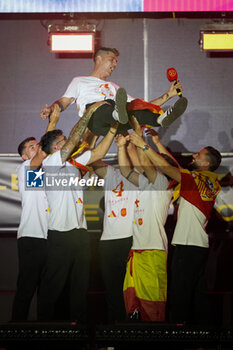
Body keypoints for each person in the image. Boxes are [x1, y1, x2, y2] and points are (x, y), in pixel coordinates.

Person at [37, 103, 119, 323]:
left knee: (81, 284)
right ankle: (43, 329)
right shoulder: (51, 163)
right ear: (56, 149)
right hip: (60, 234)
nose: (68, 144)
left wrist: (113, 128)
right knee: (53, 285)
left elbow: (98, 152)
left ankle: (79, 331)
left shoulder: (73, 164)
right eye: (62, 142)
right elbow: (75, 138)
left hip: (80, 234)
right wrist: (90, 113)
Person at [129, 130, 222, 325]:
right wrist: (157, 142)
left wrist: (144, 145)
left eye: (199, 154)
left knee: (180, 295)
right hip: (199, 246)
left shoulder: (195, 179)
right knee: (197, 296)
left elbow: (169, 168)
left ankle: (177, 338)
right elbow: (176, 168)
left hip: (187, 246)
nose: (194, 155)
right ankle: (203, 339)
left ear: (206, 163)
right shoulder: (207, 180)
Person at [40, 47, 188, 136]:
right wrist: (51, 109)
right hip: (95, 120)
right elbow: (63, 102)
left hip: (116, 125)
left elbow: (141, 105)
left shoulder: (113, 86)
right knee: (107, 103)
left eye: (116, 61)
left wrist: (169, 94)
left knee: (136, 106)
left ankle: (159, 120)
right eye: (112, 59)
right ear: (99, 59)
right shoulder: (80, 81)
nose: (115, 64)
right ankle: (116, 113)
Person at [117, 119, 176, 322]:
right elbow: (126, 169)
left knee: (153, 306)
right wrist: (123, 146)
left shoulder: (161, 182)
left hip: (153, 251)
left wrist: (139, 137)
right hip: (136, 252)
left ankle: (156, 341)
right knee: (133, 306)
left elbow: (143, 159)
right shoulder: (143, 183)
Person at [89, 136, 141, 324]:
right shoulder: (111, 174)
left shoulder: (141, 177)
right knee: (112, 290)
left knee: (129, 290)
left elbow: (127, 168)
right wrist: (94, 138)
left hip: (129, 239)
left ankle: (131, 331)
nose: (125, 151)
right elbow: (93, 160)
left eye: (128, 149)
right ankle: (114, 333)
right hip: (107, 241)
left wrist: (122, 147)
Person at [11, 137, 49, 321]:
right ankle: (16, 332)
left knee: (47, 291)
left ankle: (45, 333)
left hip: (50, 238)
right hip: (31, 237)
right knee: (27, 287)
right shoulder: (26, 168)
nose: (38, 148)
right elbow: (43, 153)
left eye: (38, 144)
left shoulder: (46, 172)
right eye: (32, 147)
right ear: (24, 156)